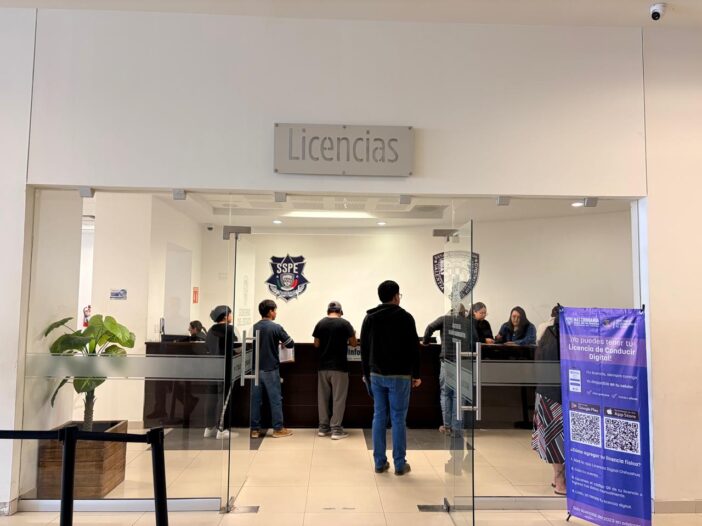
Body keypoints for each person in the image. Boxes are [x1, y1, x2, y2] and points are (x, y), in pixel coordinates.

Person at [361, 280, 421, 476]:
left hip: (376, 375)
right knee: (398, 419)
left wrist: (365, 374)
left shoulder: (370, 318)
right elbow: (414, 348)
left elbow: (364, 349)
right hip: (400, 376)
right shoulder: (406, 317)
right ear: (396, 296)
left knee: (379, 416)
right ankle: (400, 464)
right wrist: (416, 374)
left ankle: (379, 463)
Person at [422, 303, 472, 435]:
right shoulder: (468, 323)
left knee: (446, 394)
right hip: (463, 362)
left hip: (447, 361)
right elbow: (476, 339)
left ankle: (447, 426)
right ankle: (457, 428)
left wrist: (425, 341)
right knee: (459, 396)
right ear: (463, 313)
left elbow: (429, 327)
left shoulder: (444, 319)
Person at [531, 306, 565, 495]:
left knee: (553, 439)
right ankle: (560, 483)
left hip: (543, 393)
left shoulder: (545, 333)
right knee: (558, 441)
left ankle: (556, 478)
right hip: (556, 395)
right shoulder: (562, 337)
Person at [312, 301, 357, 440]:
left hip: (323, 367)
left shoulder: (320, 323)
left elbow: (316, 344)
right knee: (338, 399)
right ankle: (336, 430)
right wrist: (353, 334)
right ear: (340, 312)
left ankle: (323, 428)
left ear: (328, 311)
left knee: (323, 398)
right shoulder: (345, 324)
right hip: (339, 367)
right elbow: (354, 344)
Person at [250, 299, 294, 439]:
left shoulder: (254, 327)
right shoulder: (276, 327)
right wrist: (280, 342)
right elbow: (290, 343)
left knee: (256, 400)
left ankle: (255, 430)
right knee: (275, 400)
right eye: (275, 310)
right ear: (270, 311)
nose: (276, 313)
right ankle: (278, 429)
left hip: (255, 370)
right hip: (271, 369)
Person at [203, 305, 238, 439]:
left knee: (211, 398)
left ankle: (209, 428)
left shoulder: (210, 330)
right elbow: (235, 346)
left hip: (210, 368)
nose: (231, 316)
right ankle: (222, 430)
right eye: (230, 314)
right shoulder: (229, 329)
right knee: (223, 398)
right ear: (225, 316)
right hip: (224, 368)